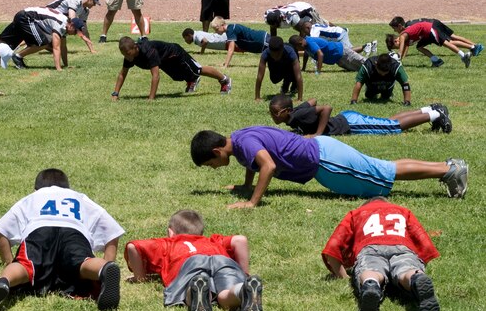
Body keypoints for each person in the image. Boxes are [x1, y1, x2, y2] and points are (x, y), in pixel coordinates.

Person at [190, 126, 468, 209]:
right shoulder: (237, 140)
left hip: (326, 161)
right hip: (323, 153)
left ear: (216, 151)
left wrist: (252, 202)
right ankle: (447, 167)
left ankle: (448, 170)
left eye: (211, 164)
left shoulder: (245, 143)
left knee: (384, 172)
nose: (214, 168)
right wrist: (246, 185)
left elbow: (268, 165)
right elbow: (252, 162)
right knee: (382, 168)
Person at [0, 168, 124, 311]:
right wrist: (106, 264)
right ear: (68, 187)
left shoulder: (33, 198)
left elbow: (1, 229)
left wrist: (8, 262)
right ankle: (104, 270)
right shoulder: (79, 197)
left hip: (40, 231)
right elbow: (112, 231)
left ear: (35, 189)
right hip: (74, 232)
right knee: (82, 263)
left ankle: (4, 281)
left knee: (25, 266)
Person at [125, 209, 262, 311]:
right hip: (221, 259)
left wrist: (140, 278)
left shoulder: (168, 242)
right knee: (225, 295)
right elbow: (240, 240)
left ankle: (198, 292)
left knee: (191, 286)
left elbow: (133, 246)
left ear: (170, 232)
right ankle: (241, 290)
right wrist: (244, 274)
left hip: (190, 263)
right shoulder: (211, 240)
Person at [322, 197, 440, 311]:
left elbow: (333, 245)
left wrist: (343, 276)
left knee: (371, 268)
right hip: (402, 246)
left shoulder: (356, 213)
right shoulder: (403, 211)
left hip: (370, 248)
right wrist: (420, 265)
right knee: (406, 268)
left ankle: (371, 282)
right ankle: (415, 278)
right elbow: (425, 244)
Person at [269, 94, 452, 136]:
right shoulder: (295, 114)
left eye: (275, 113)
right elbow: (312, 100)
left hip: (350, 124)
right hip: (348, 118)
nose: (273, 116)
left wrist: (318, 134)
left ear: (286, 112)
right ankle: (428, 109)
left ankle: (436, 115)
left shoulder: (297, 117)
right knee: (388, 122)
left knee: (392, 127)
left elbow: (326, 107)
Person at [112, 37, 232, 101]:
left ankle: (224, 79)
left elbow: (155, 76)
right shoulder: (129, 56)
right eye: (124, 54)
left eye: (128, 53)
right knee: (177, 76)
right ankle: (191, 80)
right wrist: (115, 94)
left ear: (135, 47)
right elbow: (122, 74)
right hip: (164, 60)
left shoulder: (148, 51)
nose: (127, 57)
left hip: (174, 53)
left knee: (197, 70)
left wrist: (151, 98)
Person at [0, 7, 82, 71]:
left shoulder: (65, 25)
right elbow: (56, 48)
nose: (74, 34)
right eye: (75, 32)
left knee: (3, 40)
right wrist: (58, 68)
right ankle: (18, 56)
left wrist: (66, 65)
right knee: (44, 43)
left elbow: (63, 47)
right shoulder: (60, 24)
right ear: (71, 25)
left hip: (22, 15)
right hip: (26, 18)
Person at [388, 16, 483, 68]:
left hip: (430, 28)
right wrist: (400, 61)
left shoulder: (403, 34)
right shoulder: (405, 36)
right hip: (426, 34)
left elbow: (403, 44)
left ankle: (464, 55)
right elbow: (405, 47)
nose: (394, 31)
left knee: (446, 42)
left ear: (400, 26)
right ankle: (436, 61)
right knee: (420, 47)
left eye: (394, 28)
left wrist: (399, 55)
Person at [254, 36, 303, 101]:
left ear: (282, 49)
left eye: (278, 54)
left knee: (293, 74)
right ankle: (286, 80)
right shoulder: (265, 53)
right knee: (274, 79)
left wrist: (299, 99)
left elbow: (298, 76)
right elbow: (259, 76)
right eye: (273, 54)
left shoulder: (291, 52)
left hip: (289, 64)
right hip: (278, 65)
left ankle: (292, 86)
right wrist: (257, 97)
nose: (275, 57)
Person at [297, 18, 374, 56]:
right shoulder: (314, 26)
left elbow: (313, 46)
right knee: (350, 52)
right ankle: (371, 45)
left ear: (307, 28)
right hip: (338, 33)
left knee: (349, 51)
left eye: (304, 31)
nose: (306, 34)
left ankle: (367, 46)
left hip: (339, 35)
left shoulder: (314, 32)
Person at [290, 34, 365, 73]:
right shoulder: (306, 46)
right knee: (358, 69)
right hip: (338, 59)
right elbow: (306, 55)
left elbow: (320, 54)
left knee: (365, 64)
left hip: (341, 52)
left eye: (297, 48)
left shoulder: (310, 42)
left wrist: (318, 71)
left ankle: (369, 49)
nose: (298, 50)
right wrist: (303, 68)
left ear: (300, 43)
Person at [264, 1, 329, 37]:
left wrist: (300, 46)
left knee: (315, 30)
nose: (274, 27)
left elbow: (303, 30)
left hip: (306, 9)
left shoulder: (291, 17)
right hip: (295, 8)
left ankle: (335, 30)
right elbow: (273, 30)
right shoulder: (269, 17)